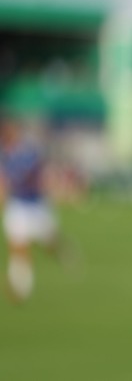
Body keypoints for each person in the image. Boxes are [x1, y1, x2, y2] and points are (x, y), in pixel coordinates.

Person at [0, 118, 60, 302]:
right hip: (17, 206)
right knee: (19, 248)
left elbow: (26, 177)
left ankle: (61, 250)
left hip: (35, 205)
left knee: (49, 243)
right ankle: (21, 289)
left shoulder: (27, 152)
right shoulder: (4, 154)